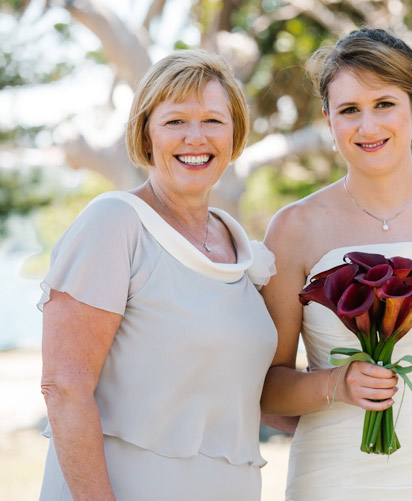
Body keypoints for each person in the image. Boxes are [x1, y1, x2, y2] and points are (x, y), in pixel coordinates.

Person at [260, 28, 412, 500]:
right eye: (349, 109)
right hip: (336, 479)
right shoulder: (293, 228)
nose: (367, 126)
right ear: (328, 119)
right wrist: (337, 382)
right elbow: (267, 388)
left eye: (384, 104)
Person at [38, 49, 277, 500]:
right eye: (175, 122)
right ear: (146, 135)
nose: (195, 137)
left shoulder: (242, 248)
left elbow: (254, 397)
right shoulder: (114, 223)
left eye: (212, 120)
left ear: (235, 134)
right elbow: (64, 387)